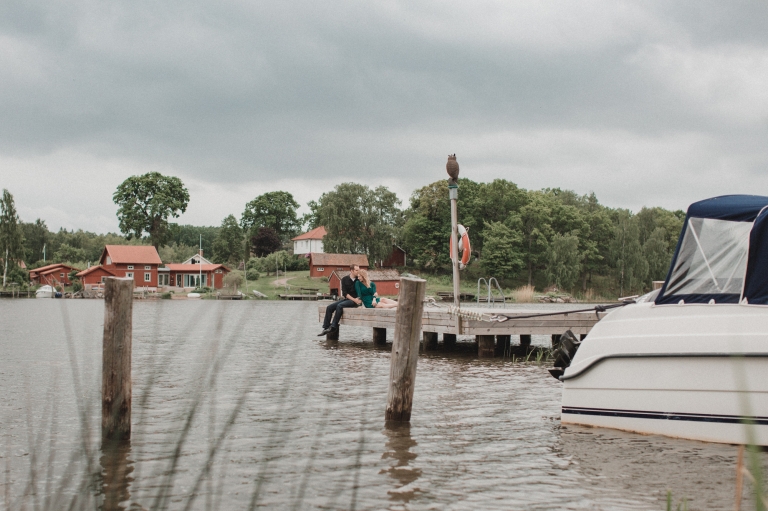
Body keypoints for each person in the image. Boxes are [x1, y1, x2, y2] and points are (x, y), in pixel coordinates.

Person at [318, 265, 361, 336]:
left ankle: (334, 326)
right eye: (357, 270)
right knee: (329, 307)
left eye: (358, 270)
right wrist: (353, 299)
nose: (358, 272)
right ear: (351, 271)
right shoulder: (344, 279)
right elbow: (344, 293)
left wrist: (357, 300)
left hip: (355, 301)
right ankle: (326, 328)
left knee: (340, 306)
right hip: (348, 299)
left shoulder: (359, 279)